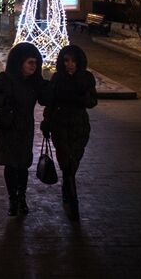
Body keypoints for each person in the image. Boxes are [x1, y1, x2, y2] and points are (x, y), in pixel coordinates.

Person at [0, 42, 46, 217]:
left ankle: (21, 198)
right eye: (30, 63)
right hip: (7, 128)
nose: (34, 67)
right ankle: (13, 199)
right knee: (11, 165)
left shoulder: (35, 82)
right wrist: (4, 101)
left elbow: (45, 98)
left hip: (25, 129)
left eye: (35, 63)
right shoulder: (5, 78)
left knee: (23, 166)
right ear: (19, 63)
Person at [40, 45, 97, 221]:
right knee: (66, 162)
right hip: (60, 125)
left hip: (79, 126)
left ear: (79, 62)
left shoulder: (86, 78)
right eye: (66, 60)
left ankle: (68, 189)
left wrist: (80, 97)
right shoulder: (58, 78)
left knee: (74, 161)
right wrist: (46, 123)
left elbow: (92, 101)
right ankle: (73, 201)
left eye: (73, 61)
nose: (69, 64)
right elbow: (50, 102)